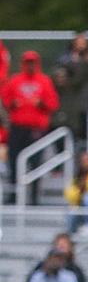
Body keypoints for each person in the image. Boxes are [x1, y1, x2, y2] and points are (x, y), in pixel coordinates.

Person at [1, 50, 59, 192]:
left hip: (36, 128)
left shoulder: (44, 81)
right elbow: (5, 98)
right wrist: (12, 104)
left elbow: (53, 104)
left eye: (33, 62)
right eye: (28, 63)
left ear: (37, 63)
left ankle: (33, 196)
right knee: (14, 160)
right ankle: (14, 194)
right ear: (23, 64)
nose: (30, 66)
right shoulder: (15, 80)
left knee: (35, 161)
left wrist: (41, 104)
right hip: (18, 127)